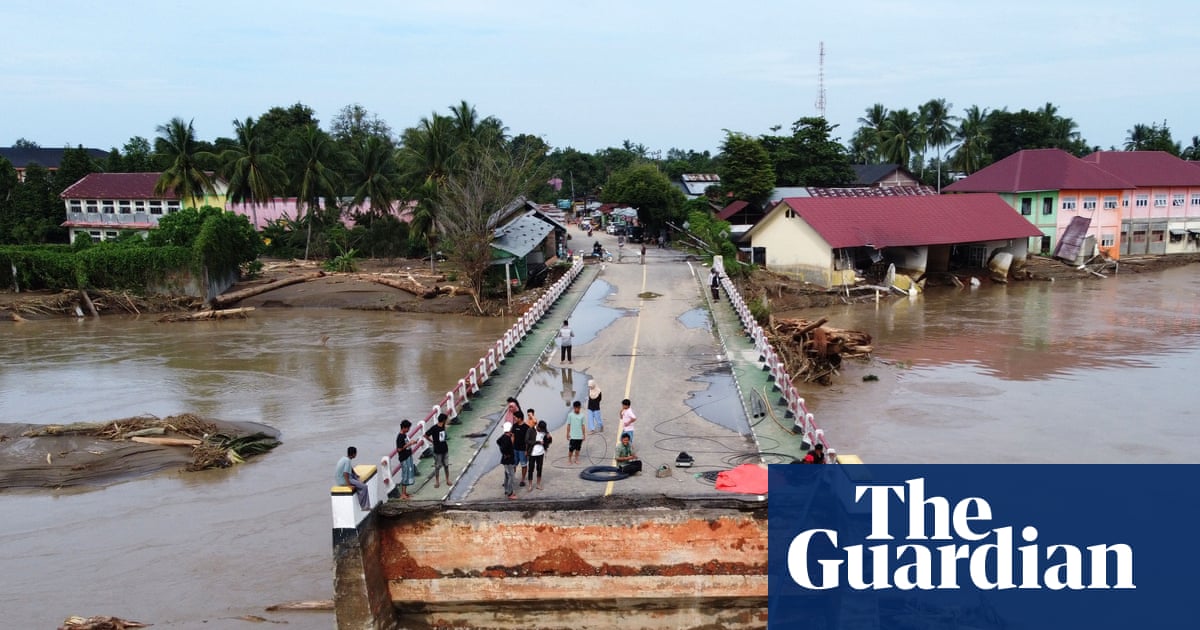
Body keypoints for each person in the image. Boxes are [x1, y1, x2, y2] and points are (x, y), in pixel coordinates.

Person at [335, 446, 370, 510]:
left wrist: (356, 474)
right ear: (354, 454)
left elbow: (350, 468)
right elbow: (345, 474)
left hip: (339, 479)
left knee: (356, 478)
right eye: (356, 453)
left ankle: (357, 481)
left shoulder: (344, 458)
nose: (356, 455)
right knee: (364, 487)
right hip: (343, 481)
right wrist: (349, 485)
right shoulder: (348, 461)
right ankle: (364, 507)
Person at [425, 413, 450, 488]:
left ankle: (447, 480)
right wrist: (432, 441)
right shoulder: (434, 428)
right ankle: (437, 482)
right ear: (444, 420)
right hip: (437, 450)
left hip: (445, 449)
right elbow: (426, 435)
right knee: (437, 466)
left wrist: (432, 441)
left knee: (446, 465)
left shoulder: (443, 426)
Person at [528, 420, 551, 490]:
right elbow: (527, 440)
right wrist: (537, 442)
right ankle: (530, 485)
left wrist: (549, 438)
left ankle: (538, 484)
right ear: (538, 426)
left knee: (539, 469)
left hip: (541, 453)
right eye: (540, 429)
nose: (541, 431)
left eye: (543, 430)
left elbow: (548, 442)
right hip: (532, 453)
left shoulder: (544, 431)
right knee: (531, 469)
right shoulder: (531, 430)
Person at [395, 420, 416, 499]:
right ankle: (403, 494)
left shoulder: (404, 435)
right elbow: (399, 449)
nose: (409, 429)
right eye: (408, 428)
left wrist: (411, 443)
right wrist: (409, 444)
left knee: (407, 473)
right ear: (404, 428)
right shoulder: (400, 437)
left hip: (408, 456)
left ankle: (405, 492)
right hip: (404, 458)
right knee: (405, 474)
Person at [497, 422, 518, 499]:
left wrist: (504, 453)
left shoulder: (503, 436)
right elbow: (504, 448)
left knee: (506, 475)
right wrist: (506, 454)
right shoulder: (507, 438)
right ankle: (510, 493)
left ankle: (506, 490)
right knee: (511, 476)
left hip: (505, 460)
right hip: (508, 460)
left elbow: (498, 441)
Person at [510, 409, 529, 486]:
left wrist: (527, 450)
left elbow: (527, 441)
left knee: (523, 465)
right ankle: (511, 478)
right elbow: (513, 437)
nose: (514, 419)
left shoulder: (526, 427)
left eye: (515, 418)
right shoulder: (514, 426)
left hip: (523, 450)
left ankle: (523, 479)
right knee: (513, 464)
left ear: (520, 418)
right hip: (515, 449)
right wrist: (511, 447)